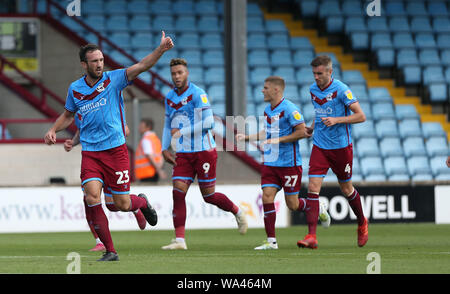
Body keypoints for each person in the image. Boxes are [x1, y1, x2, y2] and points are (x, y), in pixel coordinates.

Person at [44, 31, 174, 261]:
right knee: (92, 197)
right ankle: (110, 251)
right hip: (91, 154)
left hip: (116, 152)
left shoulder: (114, 79)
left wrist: (161, 50)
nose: (99, 64)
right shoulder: (75, 89)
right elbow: (68, 115)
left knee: (120, 205)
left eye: (101, 60)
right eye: (94, 61)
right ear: (84, 64)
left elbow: (143, 65)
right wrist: (54, 129)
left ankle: (140, 202)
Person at [160, 58, 248, 250]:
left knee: (208, 196)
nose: (176, 76)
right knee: (177, 193)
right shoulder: (169, 98)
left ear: (187, 73)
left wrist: (182, 132)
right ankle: (180, 240)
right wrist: (164, 148)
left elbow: (209, 123)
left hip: (204, 152)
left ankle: (238, 212)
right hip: (183, 153)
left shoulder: (198, 94)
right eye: (173, 73)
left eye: (180, 73)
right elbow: (168, 125)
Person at [236, 76, 330, 250]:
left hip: (289, 164)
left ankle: (318, 207)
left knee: (292, 205)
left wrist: (279, 140)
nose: (262, 91)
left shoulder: (289, 109)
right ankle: (271, 241)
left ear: (276, 90)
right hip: (271, 163)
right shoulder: (267, 110)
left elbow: (302, 132)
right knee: (267, 196)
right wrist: (247, 137)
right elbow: (268, 132)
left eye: (265, 88)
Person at [302, 55, 368, 249]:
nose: (316, 77)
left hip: (341, 147)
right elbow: (320, 112)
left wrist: (337, 120)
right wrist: (312, 127)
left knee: (346, 189)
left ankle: (362, 222)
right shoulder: (313, 90)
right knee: (313, 187)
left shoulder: (341, 89)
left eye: (319, 73)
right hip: (320, 146)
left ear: (330, 72)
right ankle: (311, 236)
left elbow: (361, 116)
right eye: (314, 73)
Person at [64, 116, 147, 252]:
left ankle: (138, 205)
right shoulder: (80, 105)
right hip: (91, 159)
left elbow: (125, 130)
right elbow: (82, 131)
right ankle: (100, 242)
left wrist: (105, 136)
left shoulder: (106, 103)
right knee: (89, 199)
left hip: (111, 159)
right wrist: (73, 142)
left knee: (113, 205)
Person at [135, 118, 167, 182]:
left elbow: (149, 155)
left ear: (148, 127)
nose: (139, 128)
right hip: (154, 172)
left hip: (146, 173)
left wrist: (159, 170)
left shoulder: (146, 139)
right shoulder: (155, 139)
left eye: (141, 126)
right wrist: (160, 169)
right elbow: (161, 155)